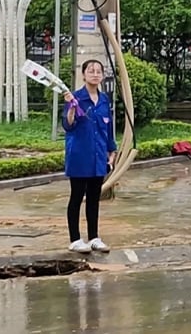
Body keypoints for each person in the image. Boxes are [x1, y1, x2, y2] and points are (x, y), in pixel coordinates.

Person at [61, 59, 117, 254]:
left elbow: (108, 128)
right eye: (91, 71)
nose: (95, 74)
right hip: (79, 156)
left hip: (99, 156)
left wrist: (112, 151)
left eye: (98, 71)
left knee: (94, 198)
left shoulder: (104, 100)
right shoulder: (75, 98)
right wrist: (71, 107)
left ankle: (94, 237)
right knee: (77, 196)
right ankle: (75, 239)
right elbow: (68, 125)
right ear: (83, 75)